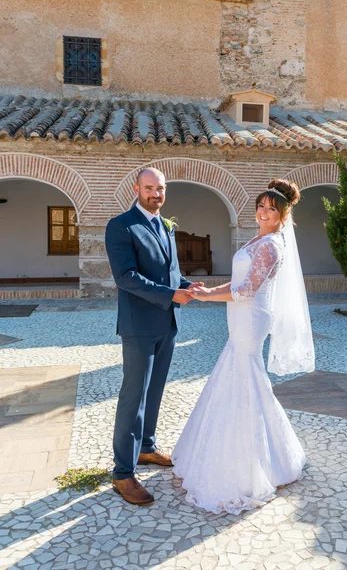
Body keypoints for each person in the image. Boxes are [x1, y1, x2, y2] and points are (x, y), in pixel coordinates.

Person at [172, 179, 315, 514]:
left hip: (251, 317)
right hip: (241, 314)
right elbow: (238, 282)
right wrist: (210, 289)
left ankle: (258, 462)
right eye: (261, 206)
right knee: (238, 372)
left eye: (271, 209)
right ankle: (263, 451)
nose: (263, 212)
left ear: (283, 215)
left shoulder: (270, 245)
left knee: (247, 376)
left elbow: (248, 289)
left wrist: (208, 296)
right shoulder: (260, 238)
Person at [105, 167, 203, 506]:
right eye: (149, 188)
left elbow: (171, 273)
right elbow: (126, 277)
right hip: (138, 326)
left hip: (167, 324)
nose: (155, 194)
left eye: (160, 188)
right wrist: (170, 294)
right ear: (137, 188)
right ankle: (122, 474)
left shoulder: (165, 226)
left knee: (155, 390)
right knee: (133, 395)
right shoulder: (121, 225)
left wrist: (187, 287)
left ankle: (146, 448)